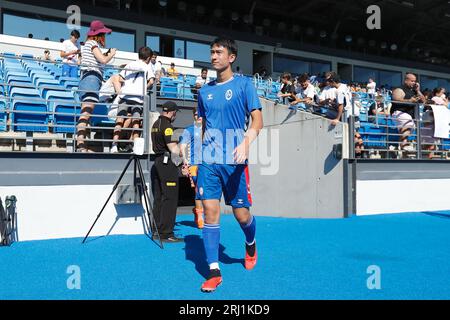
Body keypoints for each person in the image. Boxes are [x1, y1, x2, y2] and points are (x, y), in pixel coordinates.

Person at [189, 37, 263, 293]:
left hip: (234, 162)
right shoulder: (204, 91)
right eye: (211, 52)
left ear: (231, 57)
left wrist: (245, 143)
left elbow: (257, 121)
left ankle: (251, 242)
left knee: (242, 215)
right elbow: (204, 126)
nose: (213, 56)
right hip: (209, 161)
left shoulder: (245, 85)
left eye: (218, 52)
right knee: (210, 212)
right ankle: (213, 271)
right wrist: (197, 158)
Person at [76, 20, 116, 152]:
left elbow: (96, 60)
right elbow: (103, 60)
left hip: (89, 79)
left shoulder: (87, 45)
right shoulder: (92, 43)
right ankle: (81, 144)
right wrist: (111, 54)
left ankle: (82, 144)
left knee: (87, 112)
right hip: (91, 79)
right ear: (99, 35)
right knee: (86, 113)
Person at [111, 47, 155, 153]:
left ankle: (114, 145)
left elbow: (121, 78)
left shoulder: (129, 64)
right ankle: (136, 147)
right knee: (136, 121)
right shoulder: (147, 66)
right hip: (138, 98)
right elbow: (152, 82)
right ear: (148, 58)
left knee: (120, 120)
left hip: (125, 96)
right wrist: (144, 87)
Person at [151, 101, 184, 243]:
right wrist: (183, 159)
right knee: (170, 198)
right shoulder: (168, 127)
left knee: (159, 198)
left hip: (157, 162)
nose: (175, 115)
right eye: (175, 112)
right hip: (166, 164)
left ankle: (157, 230)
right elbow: (173, 149)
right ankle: (167, 233)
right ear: (172, 112)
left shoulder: (155, 124)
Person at [179, 108, 204, 229]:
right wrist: (185, 161)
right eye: (195, 114)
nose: (198, 116)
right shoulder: (189, 130)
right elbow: (182, 146)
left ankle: (200, 211)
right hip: (194, 164)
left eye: (200, 114)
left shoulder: (211, 129)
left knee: (207, 191)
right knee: (198, 190)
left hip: (208, 165)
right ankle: (200, 215)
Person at [390, 73, 426, 152]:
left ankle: (398, 147)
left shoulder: (414, 91)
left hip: (409, 114)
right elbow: (396, 99)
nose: (414, 83)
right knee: (408, 123)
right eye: (412, 81)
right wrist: (409, 101)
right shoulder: (400, 89)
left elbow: (423, 101)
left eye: (415, 81)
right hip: (399, 112)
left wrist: (418, 90)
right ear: (406, 80)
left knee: (407, 127)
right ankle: (404, 145)